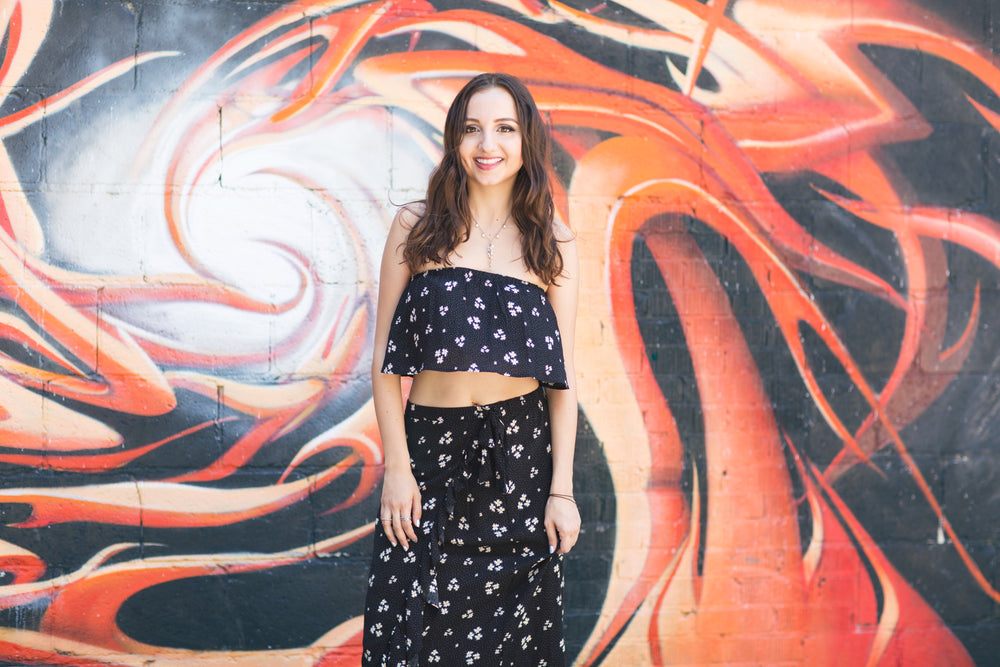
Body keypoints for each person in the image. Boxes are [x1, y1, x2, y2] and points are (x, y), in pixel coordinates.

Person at [361, 72, 580, 666]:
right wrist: (398, 469)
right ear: (454, 141)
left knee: (514, 646)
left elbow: (564, 384)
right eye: (472, 129)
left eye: (505, 129)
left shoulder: (553, 244)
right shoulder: (415, 228)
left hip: (520, 462)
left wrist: (560, 491)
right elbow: (385, 366)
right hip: (430, 457)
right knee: (412, 638)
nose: (488, 145)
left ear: (526, 139)